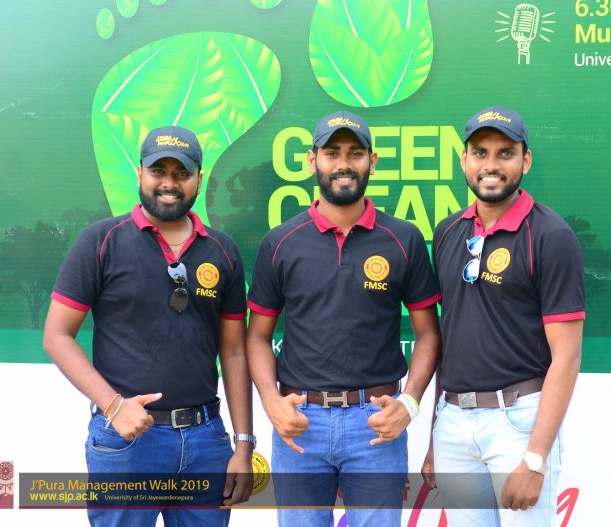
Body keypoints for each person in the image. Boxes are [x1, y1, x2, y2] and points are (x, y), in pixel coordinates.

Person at [43, 125, 254, 526]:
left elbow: (233, 352)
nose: (169, 184)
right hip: (127, 440)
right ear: (140, 173)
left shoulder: (222, 251)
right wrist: (114, 405)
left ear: (199, 179)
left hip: (206, 440)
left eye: (181, 173)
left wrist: (243, 444)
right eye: (158, 171)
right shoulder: (101, 241)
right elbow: (57, 336)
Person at [246, 111, 441, 526]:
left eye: (355, 153)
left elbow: (428, 334)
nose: (344, 164)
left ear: (373, 161)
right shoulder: (280, 242)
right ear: (312, 160)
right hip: (300, 422)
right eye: (332, 153)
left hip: (376, 423)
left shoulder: (403, 238)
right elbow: (257, 336)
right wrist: (270, 402)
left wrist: (409, 403)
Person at [423, 106, 585, 527]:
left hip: (518, 423)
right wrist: (435, 437)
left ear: (525, 160)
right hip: (454, 422)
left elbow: (567, 357)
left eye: (505, 153)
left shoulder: (551, 235)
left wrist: (536, 458)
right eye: (480, 153)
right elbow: (449, 339)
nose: (491, 165)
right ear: (464, 160)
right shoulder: (447, 232)